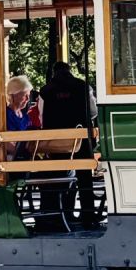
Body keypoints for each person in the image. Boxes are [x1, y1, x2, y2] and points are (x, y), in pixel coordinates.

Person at [39, 60, 98, 228]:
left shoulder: (45, 91)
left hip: (57, 142)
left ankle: (61, 215)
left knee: (59, 178)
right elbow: (93, 112)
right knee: (84, 178)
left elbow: (43, 119)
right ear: (70, 71)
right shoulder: (83, 86)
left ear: (53, 73)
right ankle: (88, 216)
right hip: (82, 140)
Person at [3, 74, 41, 161]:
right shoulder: (6, 115)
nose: (28, 99)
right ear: (13, 95)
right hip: (13, 158)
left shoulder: (25, 116)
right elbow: (6, 144)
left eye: (28, 95)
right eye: (25, 95)